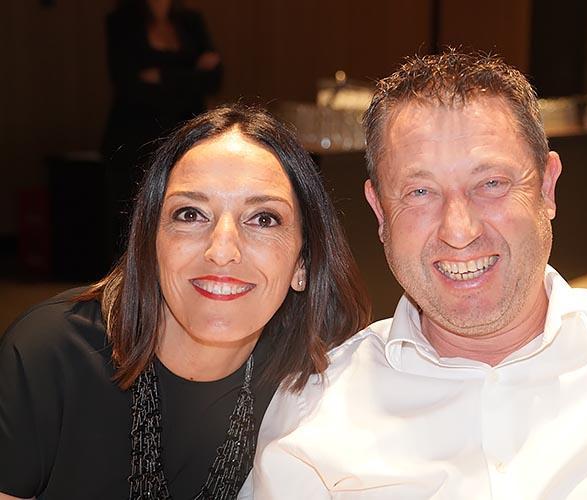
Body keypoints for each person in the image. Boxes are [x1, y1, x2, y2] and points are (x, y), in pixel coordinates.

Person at [251, 51, 587, 499]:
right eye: (420, 192)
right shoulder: (316, 409)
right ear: (380, 212)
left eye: (491, 183)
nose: (459, 231)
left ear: (547, 188)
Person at [0, 104, 370, 499]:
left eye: (263, 218)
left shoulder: (317, 385)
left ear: (302, 262)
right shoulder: (49, 354)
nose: (222, 250)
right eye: (191, 214)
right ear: (150, 243)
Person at [101, 0, 223, 260]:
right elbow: (129, 86)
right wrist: (192, 75)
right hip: (135, 138)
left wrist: (162, 77)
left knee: (187, 211)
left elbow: (214, 79)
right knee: (132, 219)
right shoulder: (122, 21)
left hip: (185, 135)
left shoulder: (190, 20)